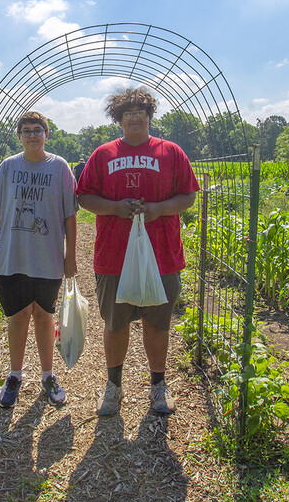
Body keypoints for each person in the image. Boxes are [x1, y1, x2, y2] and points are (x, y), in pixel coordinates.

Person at [76, 87, 199, 416]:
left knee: (157, 322)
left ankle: (158, 386)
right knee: (115, 324)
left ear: (149, 116)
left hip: (162, 254)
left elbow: (188, 195)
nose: (135, 116)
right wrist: (115, 208)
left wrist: (160, 209)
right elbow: (84, 196)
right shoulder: (103, 155)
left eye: (141, 111)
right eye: (127, 112)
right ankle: (113, 388)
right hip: (114, 255)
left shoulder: (170, 152)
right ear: (118, 120)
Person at [0, 111, 78, 408]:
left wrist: (71, 255)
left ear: (47, 134)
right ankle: (14, 376)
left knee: (43, 316)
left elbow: (70, 215)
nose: (32, 135)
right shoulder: (8, 167)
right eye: (26, 131)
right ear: (19, 136)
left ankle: (47, 375)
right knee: (17, 317)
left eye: (37, 130)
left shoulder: (60, 168)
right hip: (11, 257)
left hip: (48, 258)